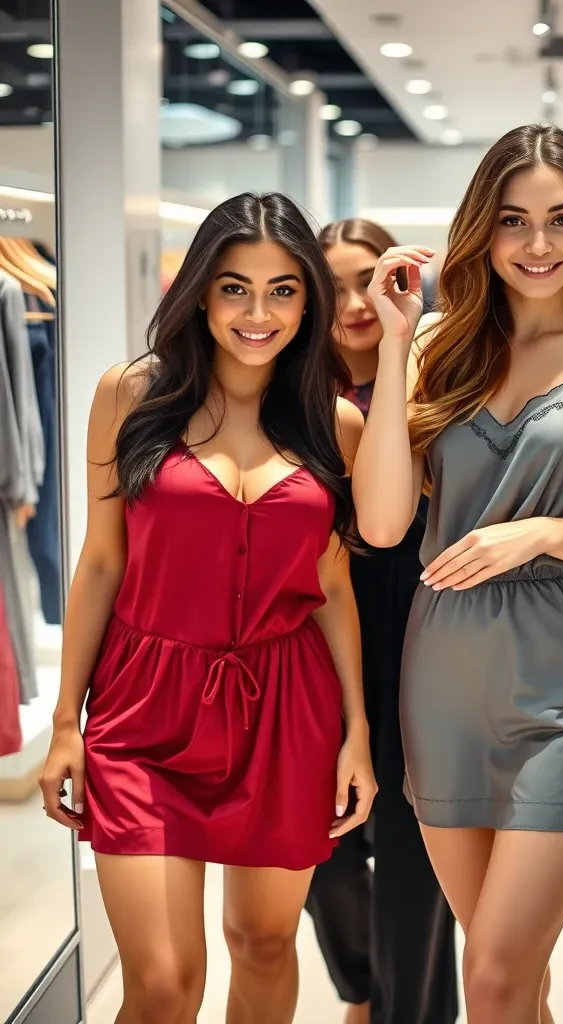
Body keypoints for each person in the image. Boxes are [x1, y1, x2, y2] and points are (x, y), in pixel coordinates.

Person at [37, 192, 377, 1023]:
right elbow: (101, 561)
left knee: (264, 945)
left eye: (283, 290)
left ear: (311, 299)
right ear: (198, 291)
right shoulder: (131, 394)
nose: (258, 313)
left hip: (284, 708)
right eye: (234, 288)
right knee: (162, 982)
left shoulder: (334, 423)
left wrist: (356, 731)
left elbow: (331, 583)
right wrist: (64, 723)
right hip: (143, 707)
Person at [351, 122, 563, 1022]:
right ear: (481, 230)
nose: (537, 245)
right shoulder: (435, 346)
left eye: (561, 220)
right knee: (512, 976)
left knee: (488, 980)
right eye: (514, 221)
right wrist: (396, 343)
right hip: (441, 672)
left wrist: (543, 534)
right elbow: (380, 520)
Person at [304, 216, 459, 1024]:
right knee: (317, 839)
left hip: (416, 615)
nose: (354, 301)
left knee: (412, 841)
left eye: (369, 277)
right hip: (313, 623)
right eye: (329, 284)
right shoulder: (292, 389)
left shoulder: (432, 374)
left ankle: (416, 1011)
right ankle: (361, 992)